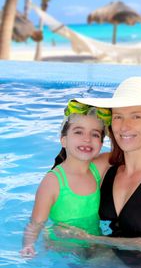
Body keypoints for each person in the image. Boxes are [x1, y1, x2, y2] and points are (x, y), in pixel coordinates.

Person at [58, 76, 141, 253]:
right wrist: (80, 125)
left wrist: (90, 239)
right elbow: (62, 179)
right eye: (118, 117)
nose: (124, 126)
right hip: (108, 261)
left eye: (136, 116)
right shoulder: (107, 166)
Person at [20, 99, 111, 258]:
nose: (87, 139)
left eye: (95, 134)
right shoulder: (53, 181)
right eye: (78, 132)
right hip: (63, 246)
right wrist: (29, 245)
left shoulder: (97, 169)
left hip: (93, 242)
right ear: (63, 140)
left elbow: (123, 151)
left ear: (101, 143)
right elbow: (37, 222)